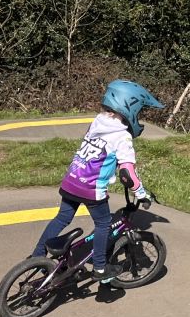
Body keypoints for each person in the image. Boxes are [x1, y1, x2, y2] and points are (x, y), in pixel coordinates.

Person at [29, 79, 162, 283]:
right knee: (103, 223)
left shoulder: (97, 122)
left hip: (71, 181)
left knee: (62, 218)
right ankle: (100, 267)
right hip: (91, 188)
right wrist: (141, 193)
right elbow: (127, 173)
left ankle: (37, 255)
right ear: (130, 106)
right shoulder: (122, 136)